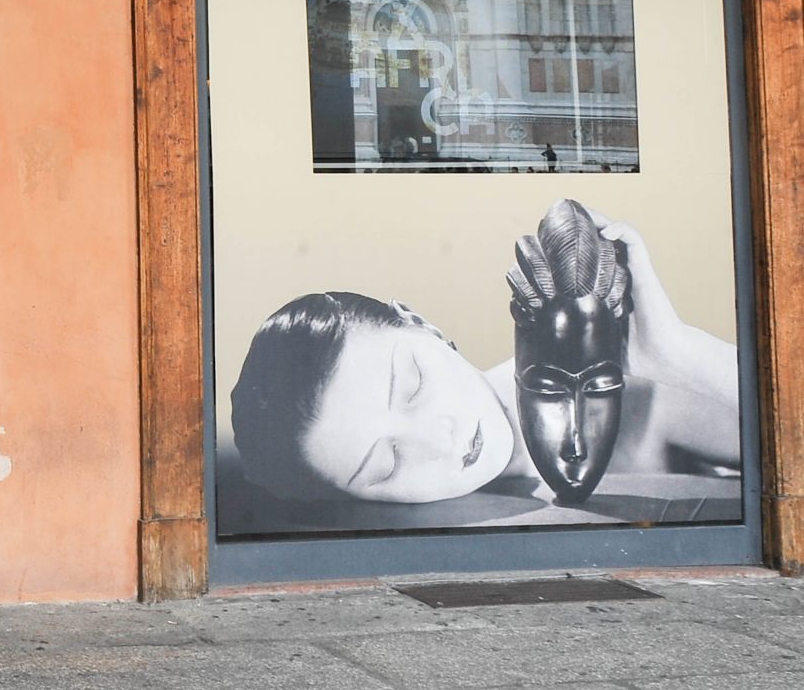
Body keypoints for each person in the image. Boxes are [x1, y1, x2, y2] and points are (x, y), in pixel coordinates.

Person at [230, 212, 738, 506]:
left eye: (414, 385)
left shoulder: (638, 400)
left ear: (424, 325)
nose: (439, 440)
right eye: (386, 465)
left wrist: (681, 355)